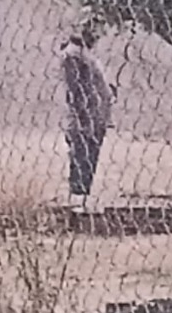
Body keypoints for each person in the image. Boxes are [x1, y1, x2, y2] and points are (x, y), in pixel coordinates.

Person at [59, 25, 115, 212]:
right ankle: (78, 202)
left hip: (94, 116)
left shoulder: (84, 55)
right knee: (83, 158)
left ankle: (80, 201)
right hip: (87, 118)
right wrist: (84, 120)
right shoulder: (74, 55)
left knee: (86, 159)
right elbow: (77, 90)